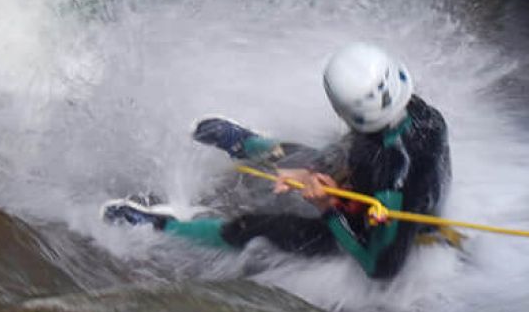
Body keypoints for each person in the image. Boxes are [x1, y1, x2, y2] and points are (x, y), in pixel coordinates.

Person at [104, 41, 451, 280]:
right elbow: (363, 150)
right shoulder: (418, 112)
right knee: (316, 157)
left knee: (258, 227)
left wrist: (329, 207)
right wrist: (323, 172)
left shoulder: (395, 175)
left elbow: (381, 268)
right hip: (377, 190)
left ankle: (163, 227)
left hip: (382, 230)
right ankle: (248, 144)